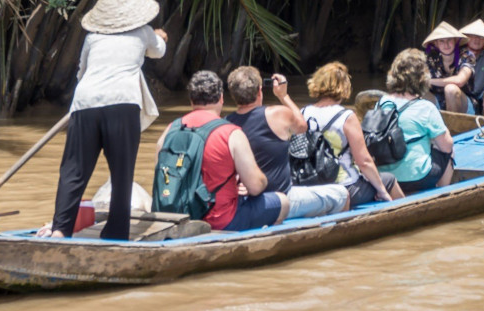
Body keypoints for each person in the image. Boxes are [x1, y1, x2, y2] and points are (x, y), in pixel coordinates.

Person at [38, 0, 167, 240]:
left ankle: (60, 229)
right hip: (122, 103)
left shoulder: (93, 37)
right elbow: (158, 52)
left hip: (85, 102)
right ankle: (116, 233)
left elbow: (82, 72)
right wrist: (160, 36)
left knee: (73, 171)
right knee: (121, 172)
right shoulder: (143, 32)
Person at [154, 70, 287, 231]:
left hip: (174, 216)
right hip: (219, 220)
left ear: (191, 100)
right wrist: (261, 180)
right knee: (282, 201)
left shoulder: (170, 129)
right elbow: (256, 186)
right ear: (221, 98)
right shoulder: (231, 132)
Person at [226, 67, 350, 218]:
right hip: (283, 199)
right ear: (259, 91)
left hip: (248, 199)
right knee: (342, 194)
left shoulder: (226, 123)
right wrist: (283, 95)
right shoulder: (277, 114)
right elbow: (302, 127)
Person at [300, 62, 403, 208]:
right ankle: (406, 215)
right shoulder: (346, 116)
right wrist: (382, 191)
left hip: (310, 184)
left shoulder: (303, 112)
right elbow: (364, 161)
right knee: (389, 179)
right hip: (344, 186)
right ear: (344, 86)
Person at [377, 49, 454, 193]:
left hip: (385, 179)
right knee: (448, 148)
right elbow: (447, 146)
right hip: (418, 178)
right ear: (422, 78)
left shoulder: (382, 102)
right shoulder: (426, 107)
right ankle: (443, 193)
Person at [422, 21, 473, 113]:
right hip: (438, 102)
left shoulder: (466, 55)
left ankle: (453, 122)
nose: (446, 44)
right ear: (436, 43)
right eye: (441, 41)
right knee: (419, 90)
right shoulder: (430, 58)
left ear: (455, 41)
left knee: (450, 89)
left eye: (449, 40)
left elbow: (460, 81)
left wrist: (428, 81)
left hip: (463, 105)